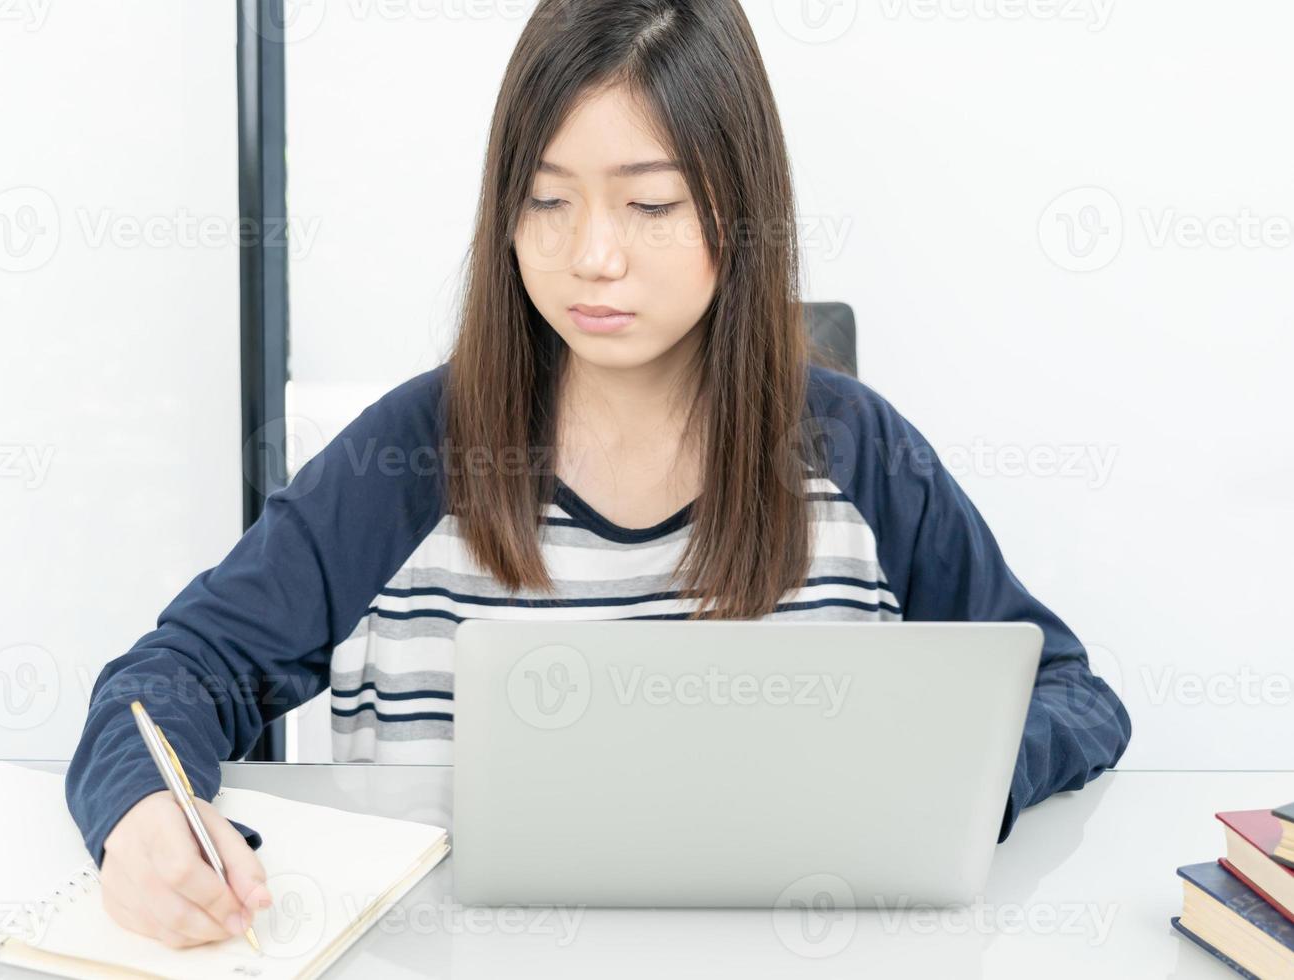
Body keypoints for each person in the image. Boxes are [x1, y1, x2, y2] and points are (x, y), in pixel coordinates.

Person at [67, 0, 1132, 948]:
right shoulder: (415, 452)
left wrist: (951, 778)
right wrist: (142, 811)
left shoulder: (855, 449)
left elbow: (1070, 694)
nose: (592, 257)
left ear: (739, 209)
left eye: (651, 205)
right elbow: (168, 678)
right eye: (546, 201)